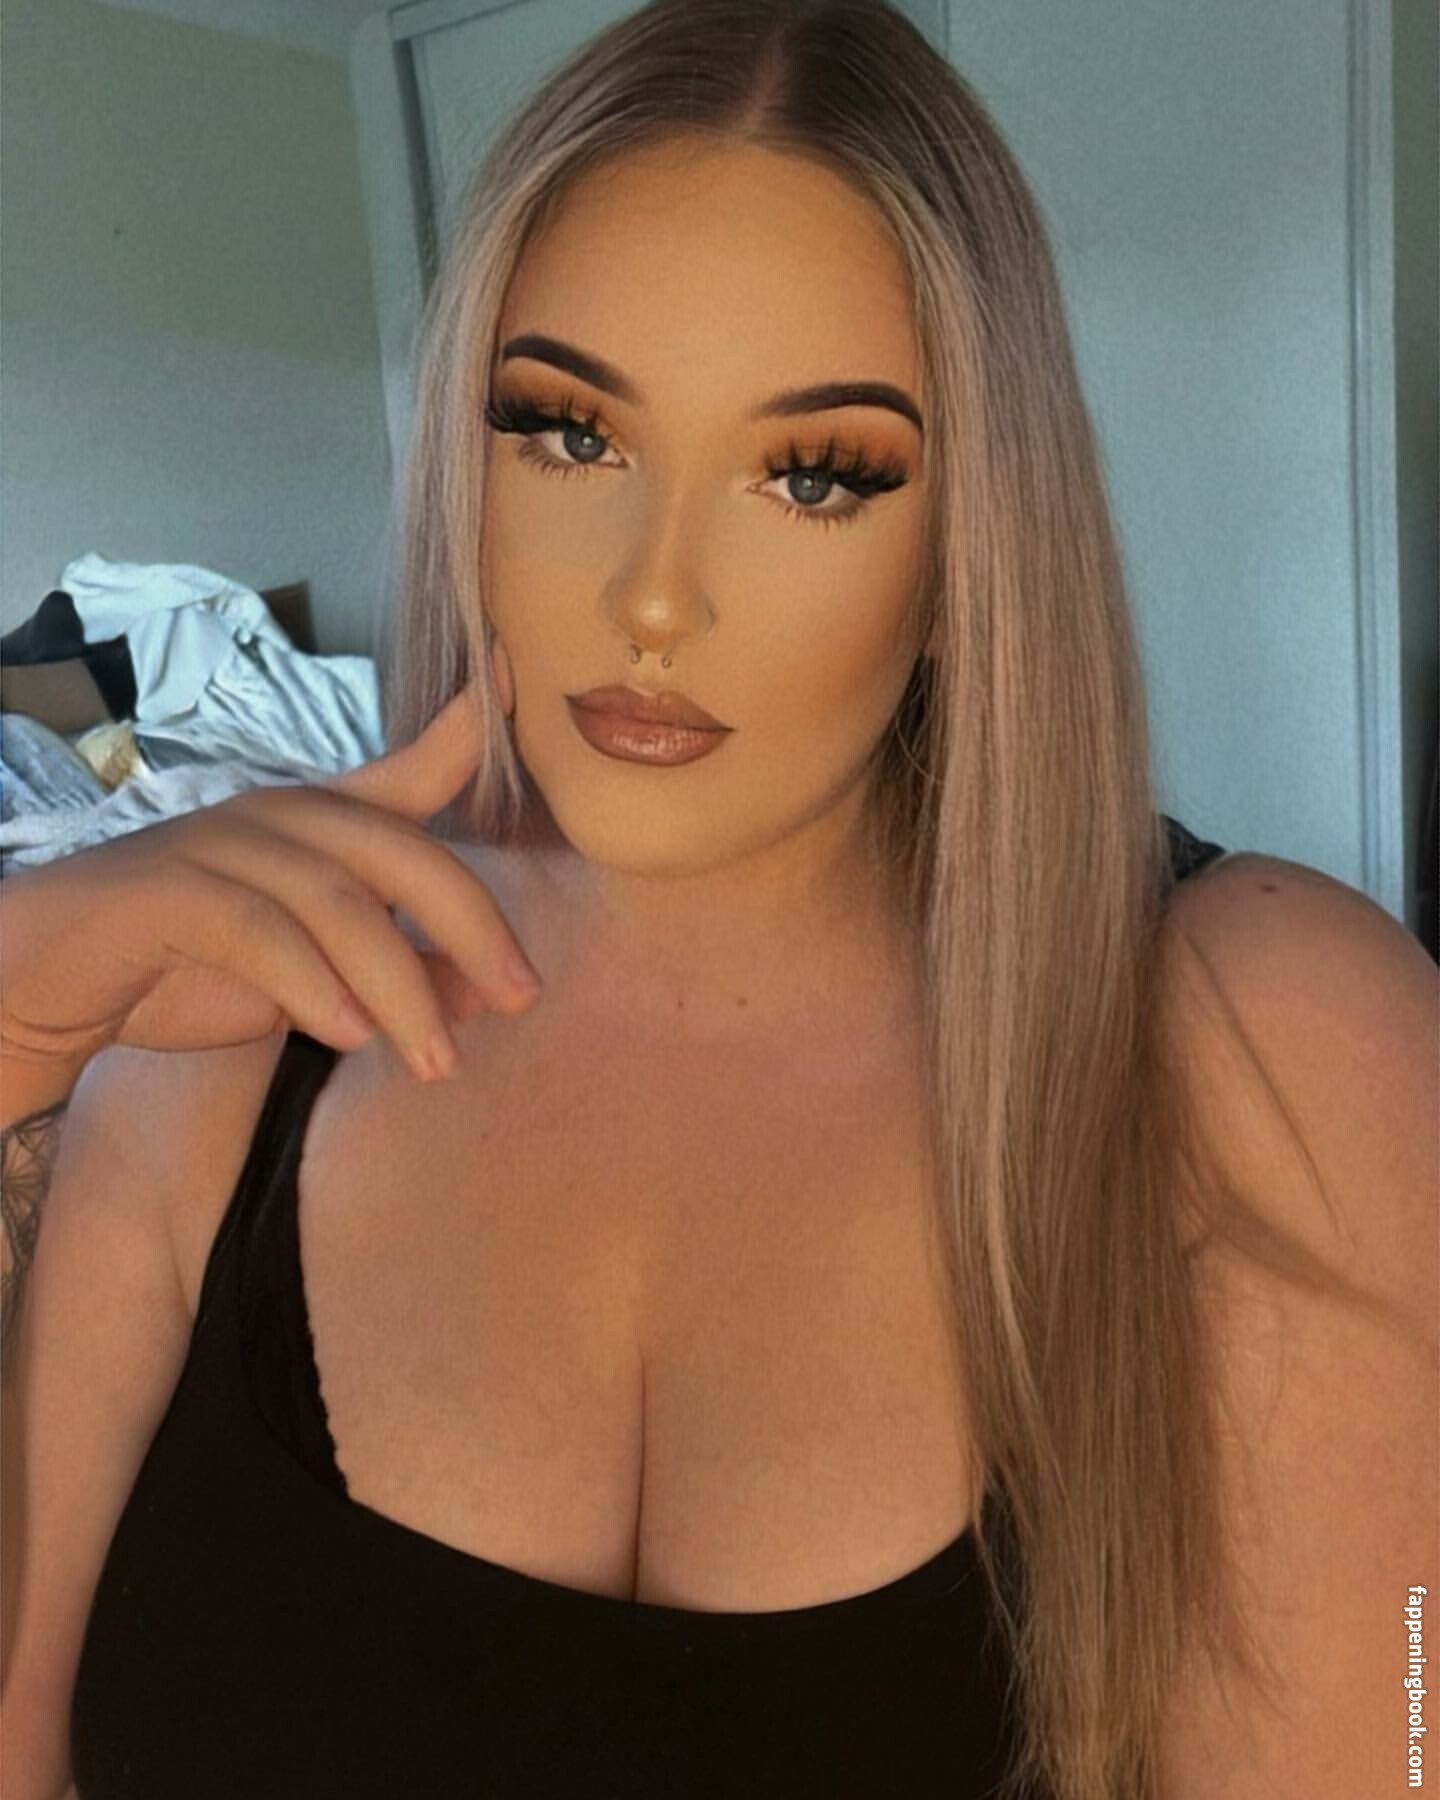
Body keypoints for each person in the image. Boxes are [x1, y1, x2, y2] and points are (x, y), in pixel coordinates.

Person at [1, 2, 1433, 1796]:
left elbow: (1392, 1713)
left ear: (970, 548)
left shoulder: (1273, 1039)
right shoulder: (217, 1038)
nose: (656, 596)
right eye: (568, 433)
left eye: (813, 474)